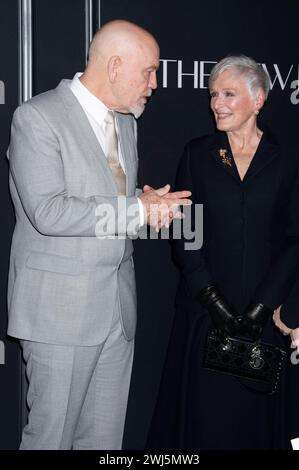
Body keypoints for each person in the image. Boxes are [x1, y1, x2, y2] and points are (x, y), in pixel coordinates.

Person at [7, 20, 191, 450]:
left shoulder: (127, 123)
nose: (155, 84)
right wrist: (135, 210)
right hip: (59, 313)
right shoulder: (37, 117)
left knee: (105, 442)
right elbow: (49, 212)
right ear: (114, 66)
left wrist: (145, 207)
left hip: (117, 311)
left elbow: (109, 206)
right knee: (50, 441)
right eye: (148, 72)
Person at [147, 55, 299, 449]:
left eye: (229, 93)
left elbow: (294, 238)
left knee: (255, 427)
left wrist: (262, 307)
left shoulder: (287, 158)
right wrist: (213, 300)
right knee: (203, 424)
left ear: (259, 100)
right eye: (214, 94)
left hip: (265, 317)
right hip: (206, 315)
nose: (217, 103)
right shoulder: (198, 153)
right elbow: (186, 232)